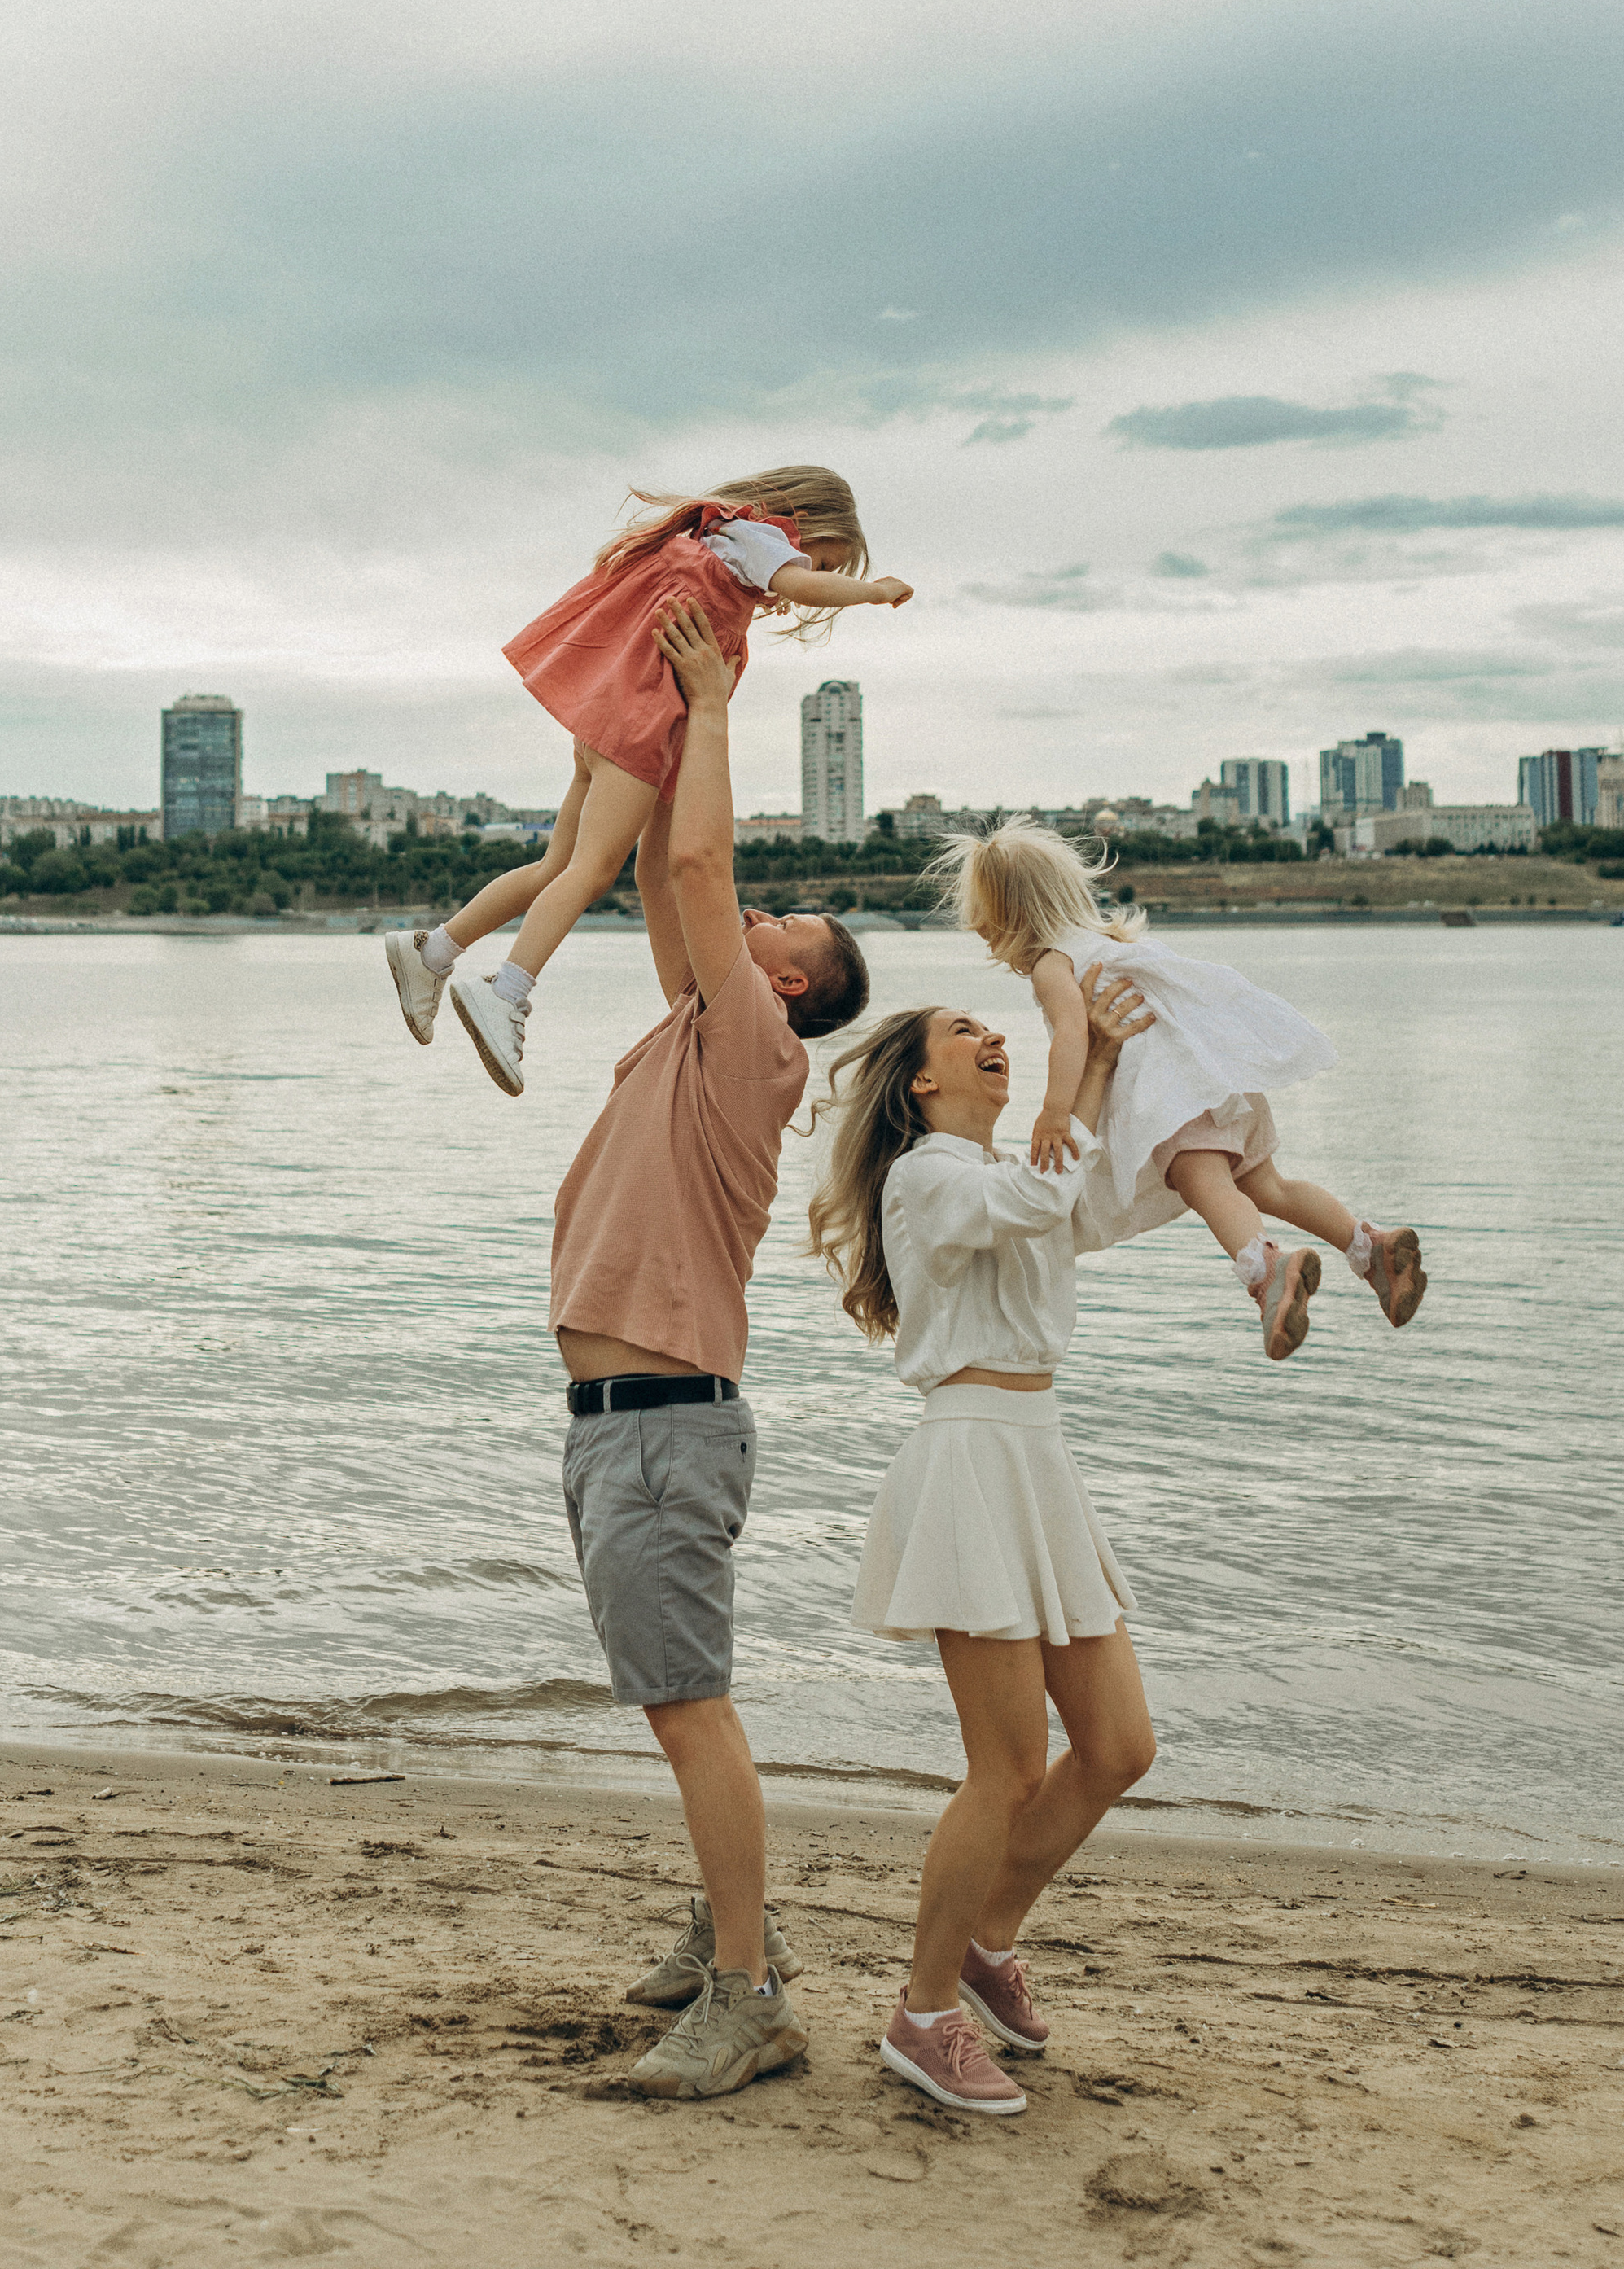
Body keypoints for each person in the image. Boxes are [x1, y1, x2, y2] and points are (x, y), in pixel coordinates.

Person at [549, 595, 870, 2100]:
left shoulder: (757, 1046)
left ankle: (748, 1994)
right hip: (626, 1420)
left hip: (665, 1422)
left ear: (792, 985)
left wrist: (718, 704)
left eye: (774, 929)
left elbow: (691, 862)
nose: (748, 920)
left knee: (691, 1706)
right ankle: (727, 1929)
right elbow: (652, 871)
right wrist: (639, 725)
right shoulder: (693, 1026)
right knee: (678, 1700)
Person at [808, 973, 1159, 2115]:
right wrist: (1077, 1057)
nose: (991, 1036)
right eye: (968, 1031)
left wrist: (1105, 1061)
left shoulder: (1013, 1172)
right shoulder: (926, 1176)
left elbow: (1088, 1202)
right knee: (1004, 1769)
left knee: (1117, 1746)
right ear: (922, 1078)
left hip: (1038, 1455)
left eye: (997, 1028)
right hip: (968, 1458)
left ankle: (985, 1935)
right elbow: (1033, 1202)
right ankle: (922, 2017)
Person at [383, 468, 909, 1094]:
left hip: (614, 718)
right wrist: (872, 593)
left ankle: (434, 951)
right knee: (593, 869)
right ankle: (508, 991)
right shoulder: (764, 539)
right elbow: (796, 579)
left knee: (558, 864)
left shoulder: (721, 537)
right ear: (808, 526)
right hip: (640, 723)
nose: (797, 590)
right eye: (824, 559)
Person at [940, 817, 1428, 1358]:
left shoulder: (1054, 964)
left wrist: (1054, 1112)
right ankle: (1369, 1247)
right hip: (1217, 1081)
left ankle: (1268, 1269)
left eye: (981, 919)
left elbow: (1072, 1035)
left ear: (1010, 915)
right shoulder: (1107, 943)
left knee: (1206, 1187)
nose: (978, 930)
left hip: (1170, 1097)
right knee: (1271, 1188)